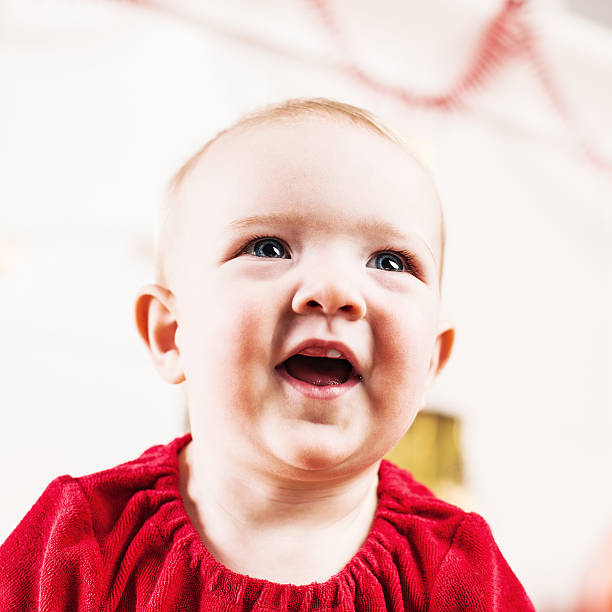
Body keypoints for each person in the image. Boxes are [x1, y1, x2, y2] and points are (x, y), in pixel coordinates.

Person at [0, 98, 535, 610]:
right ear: (170, 334)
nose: (333, 289)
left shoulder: (459, 571)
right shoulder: (76, 541)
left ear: (429, 365)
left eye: (390, 262)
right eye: (268, 248)